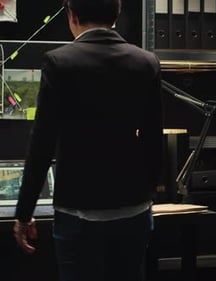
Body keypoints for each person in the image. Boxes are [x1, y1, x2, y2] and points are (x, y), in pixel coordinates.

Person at [12, 0, 164, 280]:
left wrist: (24, 213)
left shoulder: (59, 62)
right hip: (134, 209)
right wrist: (152, 188)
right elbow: (153, 137)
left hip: (78, 211)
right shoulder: (146, 62)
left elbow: (42, 143)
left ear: (71, 15)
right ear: (117, 14)